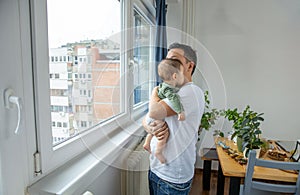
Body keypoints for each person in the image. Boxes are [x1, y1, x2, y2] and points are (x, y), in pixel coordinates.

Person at [143, 42, 205, 195]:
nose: (169, 64)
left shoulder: (191, 92)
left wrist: (154, 91)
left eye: (175, 60)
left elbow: (153, 111)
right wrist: (150, 128)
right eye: (167, 60)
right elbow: (146, 119)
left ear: (190, 66)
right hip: (156, 169)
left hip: (172, 177)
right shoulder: (172, 91)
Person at [143, 58, 186, 164]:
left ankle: (147, 143)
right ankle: (158, 151)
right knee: (164, 133)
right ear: (175, 76)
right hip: (156, 117)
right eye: (182, 74)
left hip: (151, 117)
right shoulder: (169, 89)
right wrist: (180, 111)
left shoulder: (162, 87)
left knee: (154, 129)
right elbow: (174, 99)